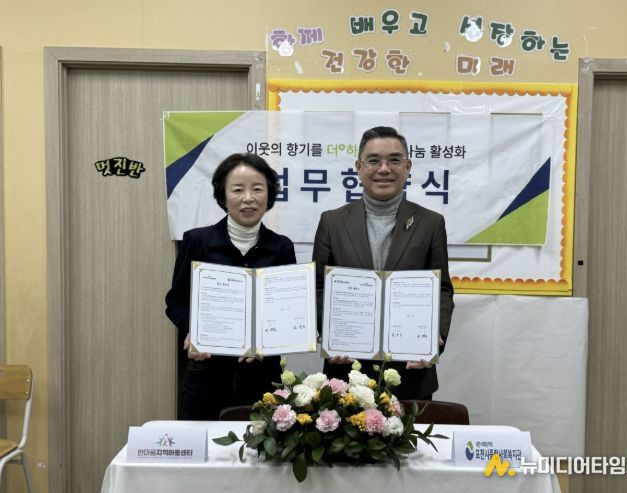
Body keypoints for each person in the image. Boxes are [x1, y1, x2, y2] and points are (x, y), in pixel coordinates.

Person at [312, 126, 454, 400]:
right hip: (347, 371)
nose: (384, 169)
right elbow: (318, 286)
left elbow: (442, 289)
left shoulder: (431, 223)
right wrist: (328, 333)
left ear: (408, 166)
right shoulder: (332, 222)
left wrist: (435, 337)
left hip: (410, 371)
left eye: (394, 160)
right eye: (374, 160)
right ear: (359, 167)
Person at [166, 153, 296, 420]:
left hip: (263, 378)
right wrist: (194, 330)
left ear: (269, 195)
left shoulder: (282, 247)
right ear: (223, 196)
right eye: (237, 190)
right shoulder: (197, 241)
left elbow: (287, 312)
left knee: (262, 446)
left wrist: (270, 341)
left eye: (257, 189)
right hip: (207, 376)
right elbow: (176, 302)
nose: (248, 198)